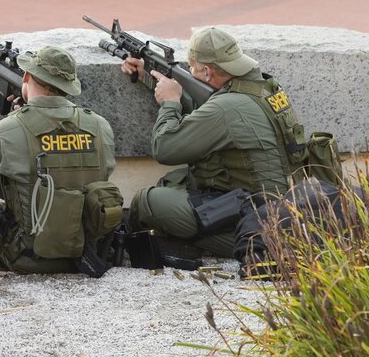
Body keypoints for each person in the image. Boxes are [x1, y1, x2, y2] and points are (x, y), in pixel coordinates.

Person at [121, 26, 308, 261]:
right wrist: (151, 74)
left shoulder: (227, 108)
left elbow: (165, 148)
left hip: (265, 231)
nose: (190, 73)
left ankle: (183, 244)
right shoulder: (265, 88)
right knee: (174, 181)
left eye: (192, 69)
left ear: (208, 73)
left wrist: (170, 103)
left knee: (148, 201)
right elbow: (209, 108)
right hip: (290, 210)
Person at [0, 45, 122, 276]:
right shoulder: (100, 126)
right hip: (88, 252)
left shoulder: (5, 129)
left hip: (27, 255)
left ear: (26, 76)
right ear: (68, 87)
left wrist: (17, 121)